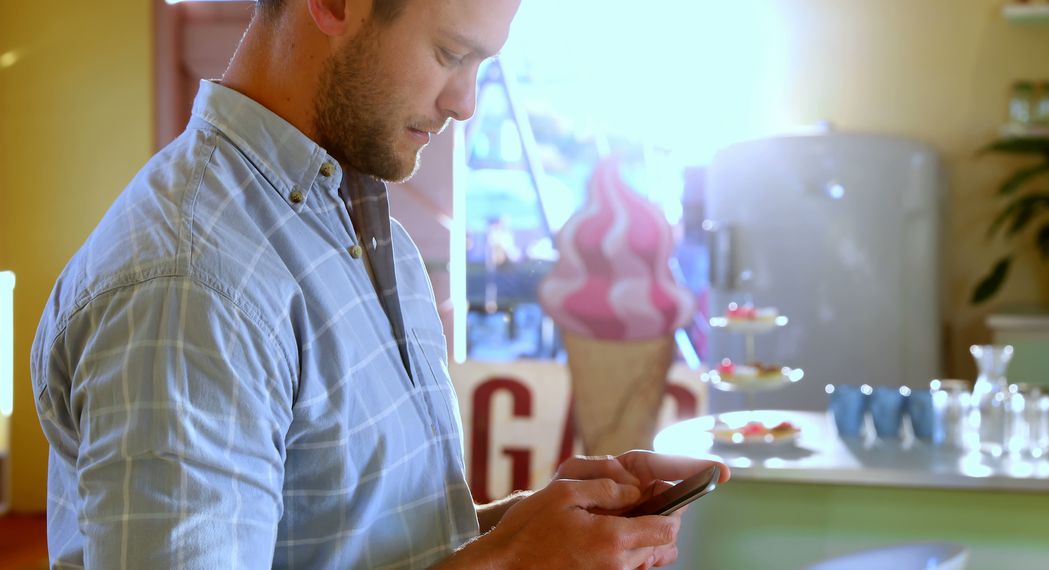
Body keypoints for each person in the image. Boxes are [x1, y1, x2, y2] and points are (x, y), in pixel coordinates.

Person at [31, 0, 729, 567]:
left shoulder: (352, 209)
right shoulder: (194, 288)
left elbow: (344, 541)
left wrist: (517, 529)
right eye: (452, 54)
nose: (465, 104)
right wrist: (512, 565)